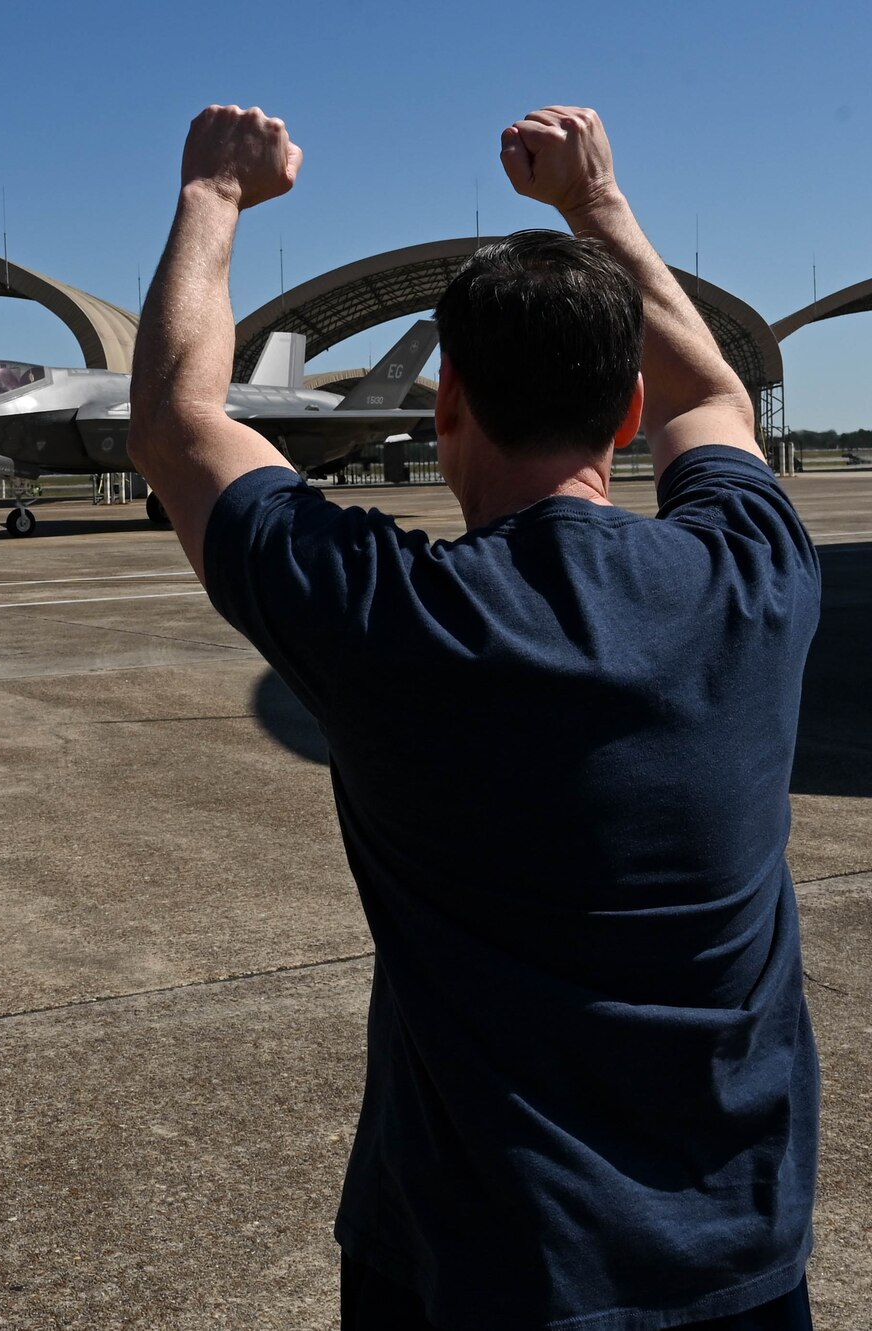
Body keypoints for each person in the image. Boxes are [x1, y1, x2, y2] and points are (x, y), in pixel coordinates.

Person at [128, 105, 820, 1330]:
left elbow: (182, 423)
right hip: (736, 1259)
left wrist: (211, 197)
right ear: (621, 414)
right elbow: (709, 393)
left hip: (471, 1263)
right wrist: (595, 205)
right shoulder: (754, 577)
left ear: (445, 402)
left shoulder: (391, 619)